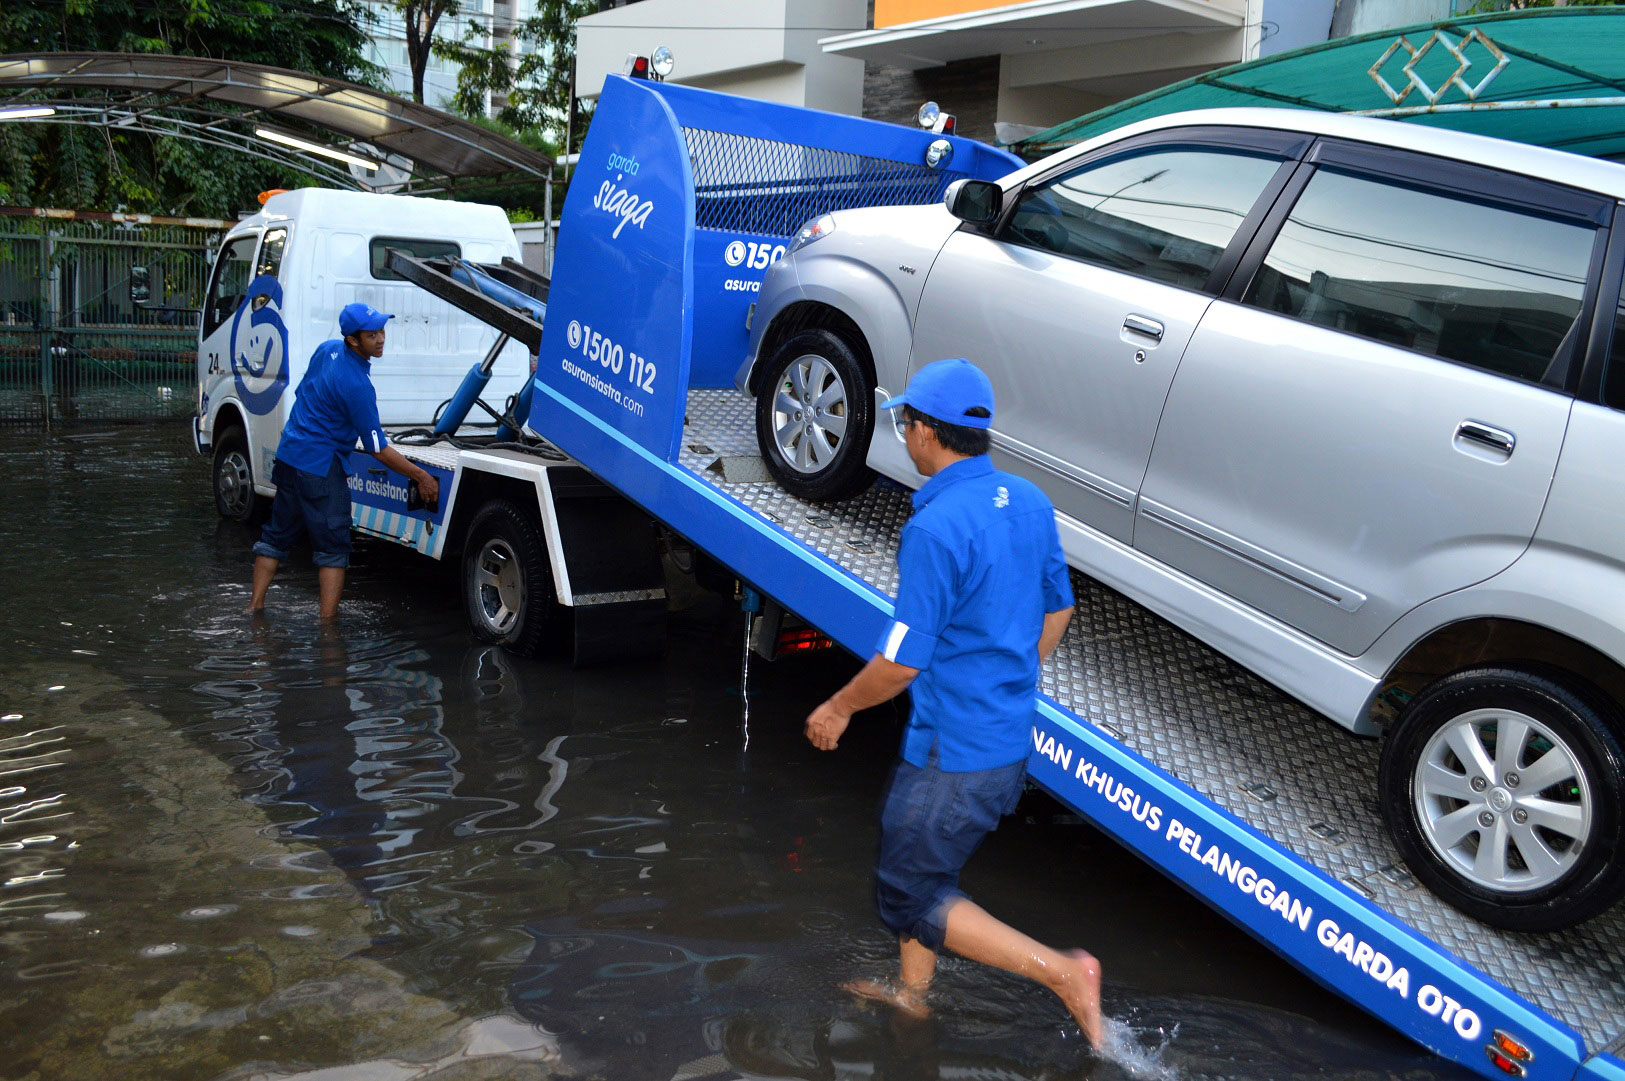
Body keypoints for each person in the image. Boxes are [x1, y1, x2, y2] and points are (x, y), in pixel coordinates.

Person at [803, 358, 1101, 1048]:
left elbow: (901, 662)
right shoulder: (1026, 499)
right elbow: (1059, 609)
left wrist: (839, 707)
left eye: (906, 422)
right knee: (925, 874)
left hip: (951, 751)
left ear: (927, 434)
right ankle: (911, 997)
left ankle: (1061, 972)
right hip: (1000, 739)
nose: (904, 434)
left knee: (905, 891)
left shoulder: (934, 531)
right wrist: (1005, 677)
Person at [248, 302, 440, 622]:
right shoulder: (357, 385)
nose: (380, 339)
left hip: (289, 456)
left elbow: (305, 392)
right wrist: (421, 476)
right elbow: (377, 448)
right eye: (372, 335)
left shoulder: (326, 351)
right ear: (353, 340)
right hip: (321, 468)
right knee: (334, 549)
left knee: (274, 537)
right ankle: (328, 631)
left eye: (381, 331)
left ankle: (253, 608)